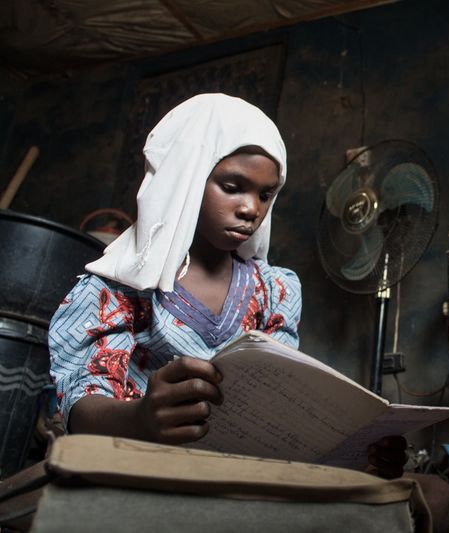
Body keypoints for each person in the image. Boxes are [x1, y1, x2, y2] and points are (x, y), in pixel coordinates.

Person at [47, 93, 410, 479]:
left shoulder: (275, 291)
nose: (251, 208)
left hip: (243, 470)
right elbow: (82, 405)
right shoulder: (116, 289)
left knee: (433, 494)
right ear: (184, 178)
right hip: (144, 464)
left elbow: (282, 407)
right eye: (233, 186)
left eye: (265, 194)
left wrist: (358, 449)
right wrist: (141, 418)